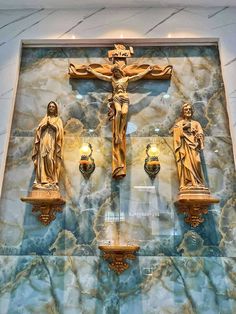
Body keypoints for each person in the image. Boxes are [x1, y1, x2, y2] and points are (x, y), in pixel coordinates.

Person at [87, 64, 153, 144]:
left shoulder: (126, 79)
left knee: (124, 113)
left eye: (116, 71)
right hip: (116, 97)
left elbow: (138, 76)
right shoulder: (112, 79)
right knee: (118, 111)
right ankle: (117, 134)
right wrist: (92, 71)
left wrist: (147, 71)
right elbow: (102, 76)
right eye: (114, 72)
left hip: (125, 97)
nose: (115, 73)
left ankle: (121, 132)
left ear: (119, 71)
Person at [172, 103, 205, 190]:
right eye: (186, 110)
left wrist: (198, 135)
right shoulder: (179, 124)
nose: (188, 111)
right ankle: (189, 183)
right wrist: (182, 129)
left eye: (189, 109)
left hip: (194, 146)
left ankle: (198, 182)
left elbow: (201, 132)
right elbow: (176, 134)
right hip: (184, 147)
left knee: (197, 162)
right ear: (183, 112)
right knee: (185, 164)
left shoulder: (196, 123)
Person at [32, 101, 64, 189]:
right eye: (50, 106)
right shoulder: (44, 119)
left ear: (56, 108)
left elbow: (60, 132)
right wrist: (44, 126)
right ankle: (42, 180)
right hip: (43, 142)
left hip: (52, 142)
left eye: (53, 106)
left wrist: (53, 126)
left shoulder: (58, 120)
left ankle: (51, 179)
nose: (51, 108)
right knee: (42, 159)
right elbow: (38, 130)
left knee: (50, 158)